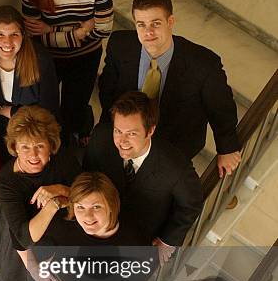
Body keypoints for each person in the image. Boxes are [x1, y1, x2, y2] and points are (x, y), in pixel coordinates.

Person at [98, 0, 241, 177]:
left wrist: (227, 148)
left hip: (173, 143)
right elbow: (107, 90)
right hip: (125, 136)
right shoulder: (120, 45)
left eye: (155, 24)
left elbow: (221, 109)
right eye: (141, 24)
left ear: (170, 22)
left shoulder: (203, 64)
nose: (148, 32)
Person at [85, 91, 203, 264]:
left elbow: (191, 203)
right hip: (99, 227)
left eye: (131, 134)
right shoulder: (101, 138)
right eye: (118, 131)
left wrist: (167, 240)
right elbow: (87, 175)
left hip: (141, 239)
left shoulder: (176, 167)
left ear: (150, 130)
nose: (122, 141)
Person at [22, 0, 114, 145]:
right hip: (48, 58)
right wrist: (79, 32)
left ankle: (81, 130)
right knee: (47, 108)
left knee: (76, 106)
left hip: (86, 56)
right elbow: (34, 36)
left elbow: (103, 29)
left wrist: (51, 31)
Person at [0, 105, 80, 281]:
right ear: (14, 146)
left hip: (58, 225)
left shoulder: (65, 159)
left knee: (52, 273)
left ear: (51, 145)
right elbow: (23, 237)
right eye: (25, 147)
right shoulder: (7, 180)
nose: (33, 155)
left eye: (40, 146)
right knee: (15, 271)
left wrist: (59, 190)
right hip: (21, 232)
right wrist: (53, 205)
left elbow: (83, 196)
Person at [0, 5, 60, 161]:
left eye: (14, 34)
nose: (7, 42)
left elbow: (48, 110)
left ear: (23, 35)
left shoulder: (40, 60)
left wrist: (5, 110)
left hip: (33, 132)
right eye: (0, 34)